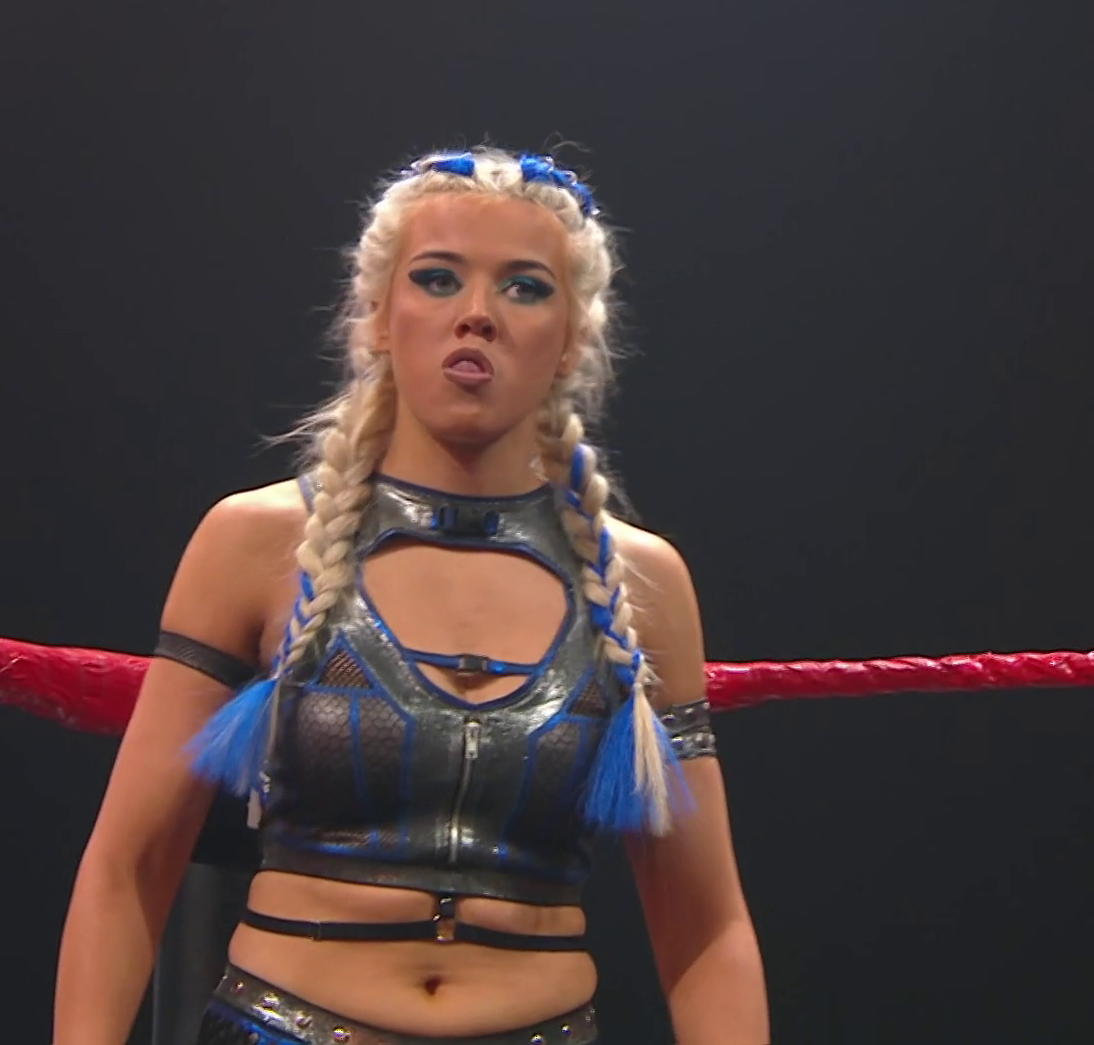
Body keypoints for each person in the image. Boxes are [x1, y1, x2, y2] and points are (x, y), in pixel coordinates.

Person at [52, 147, 768, 1044]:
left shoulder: (642, 580)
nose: (477, 315)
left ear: (572, 338)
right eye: (437, 278)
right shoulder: (255, 542)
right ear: (381, 316)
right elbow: (129, 865)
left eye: (524, 287)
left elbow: (707, 929)